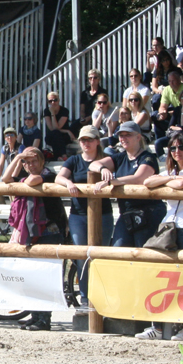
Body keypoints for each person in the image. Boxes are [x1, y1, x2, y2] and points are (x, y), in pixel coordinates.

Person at [139, 133, 183, 340]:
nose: (177, 152)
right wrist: (172, 177)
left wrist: (170, 181)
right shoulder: (170, 171)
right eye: (173, 148)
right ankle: (157, 327)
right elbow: (148, 181)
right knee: (162, 277)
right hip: (168, 228)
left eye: (181, 147)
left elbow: (182, 186)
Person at [2, 147, 66, 331]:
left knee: (45, 276)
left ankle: (44, 319)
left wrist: (23, 162)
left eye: (34, 161)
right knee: (31, 276)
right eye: (27, 162)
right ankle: (36, 315)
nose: (30, 165)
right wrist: (18, 157)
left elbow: (33, 180)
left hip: (49, 231)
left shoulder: (48, 175)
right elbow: (5, 179)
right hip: (31, 232)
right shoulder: (23, 175)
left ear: (42, 162)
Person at [56, 125, 112, 309]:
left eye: (89, 139)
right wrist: (69, 182)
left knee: (101, 254)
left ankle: (103, 296)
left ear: (97, 141)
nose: (86, 143)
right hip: (78, 214)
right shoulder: (74, 160)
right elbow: (59, 178)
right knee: (81, 256)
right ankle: (85, 297)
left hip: (102, 213)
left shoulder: (107, 160)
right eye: (83, 140)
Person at [91, 121, 167, 249]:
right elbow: (93, 165)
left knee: (143, 252)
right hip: (126, 213)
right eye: (121, 135)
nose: (123, 138)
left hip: (148, 213)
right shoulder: (120, 157)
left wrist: (111, 181)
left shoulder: (148, 157)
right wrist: (103, 169)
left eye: (128, 135)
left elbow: (139, 178)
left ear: (138, 137)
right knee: (118, 251)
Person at [42, 91, 71, 159]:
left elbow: (57, 127)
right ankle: (63, 155)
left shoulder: (64, 110)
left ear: (59, 100)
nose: (53, 103)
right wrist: (67, 131)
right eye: (50, 101)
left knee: (56, 134)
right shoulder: (46, 111)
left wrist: (52, 114)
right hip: (52, 136)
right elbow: (52, 128)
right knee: (55, 134)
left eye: (55, 100)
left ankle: (58, 156)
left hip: (64, 137)